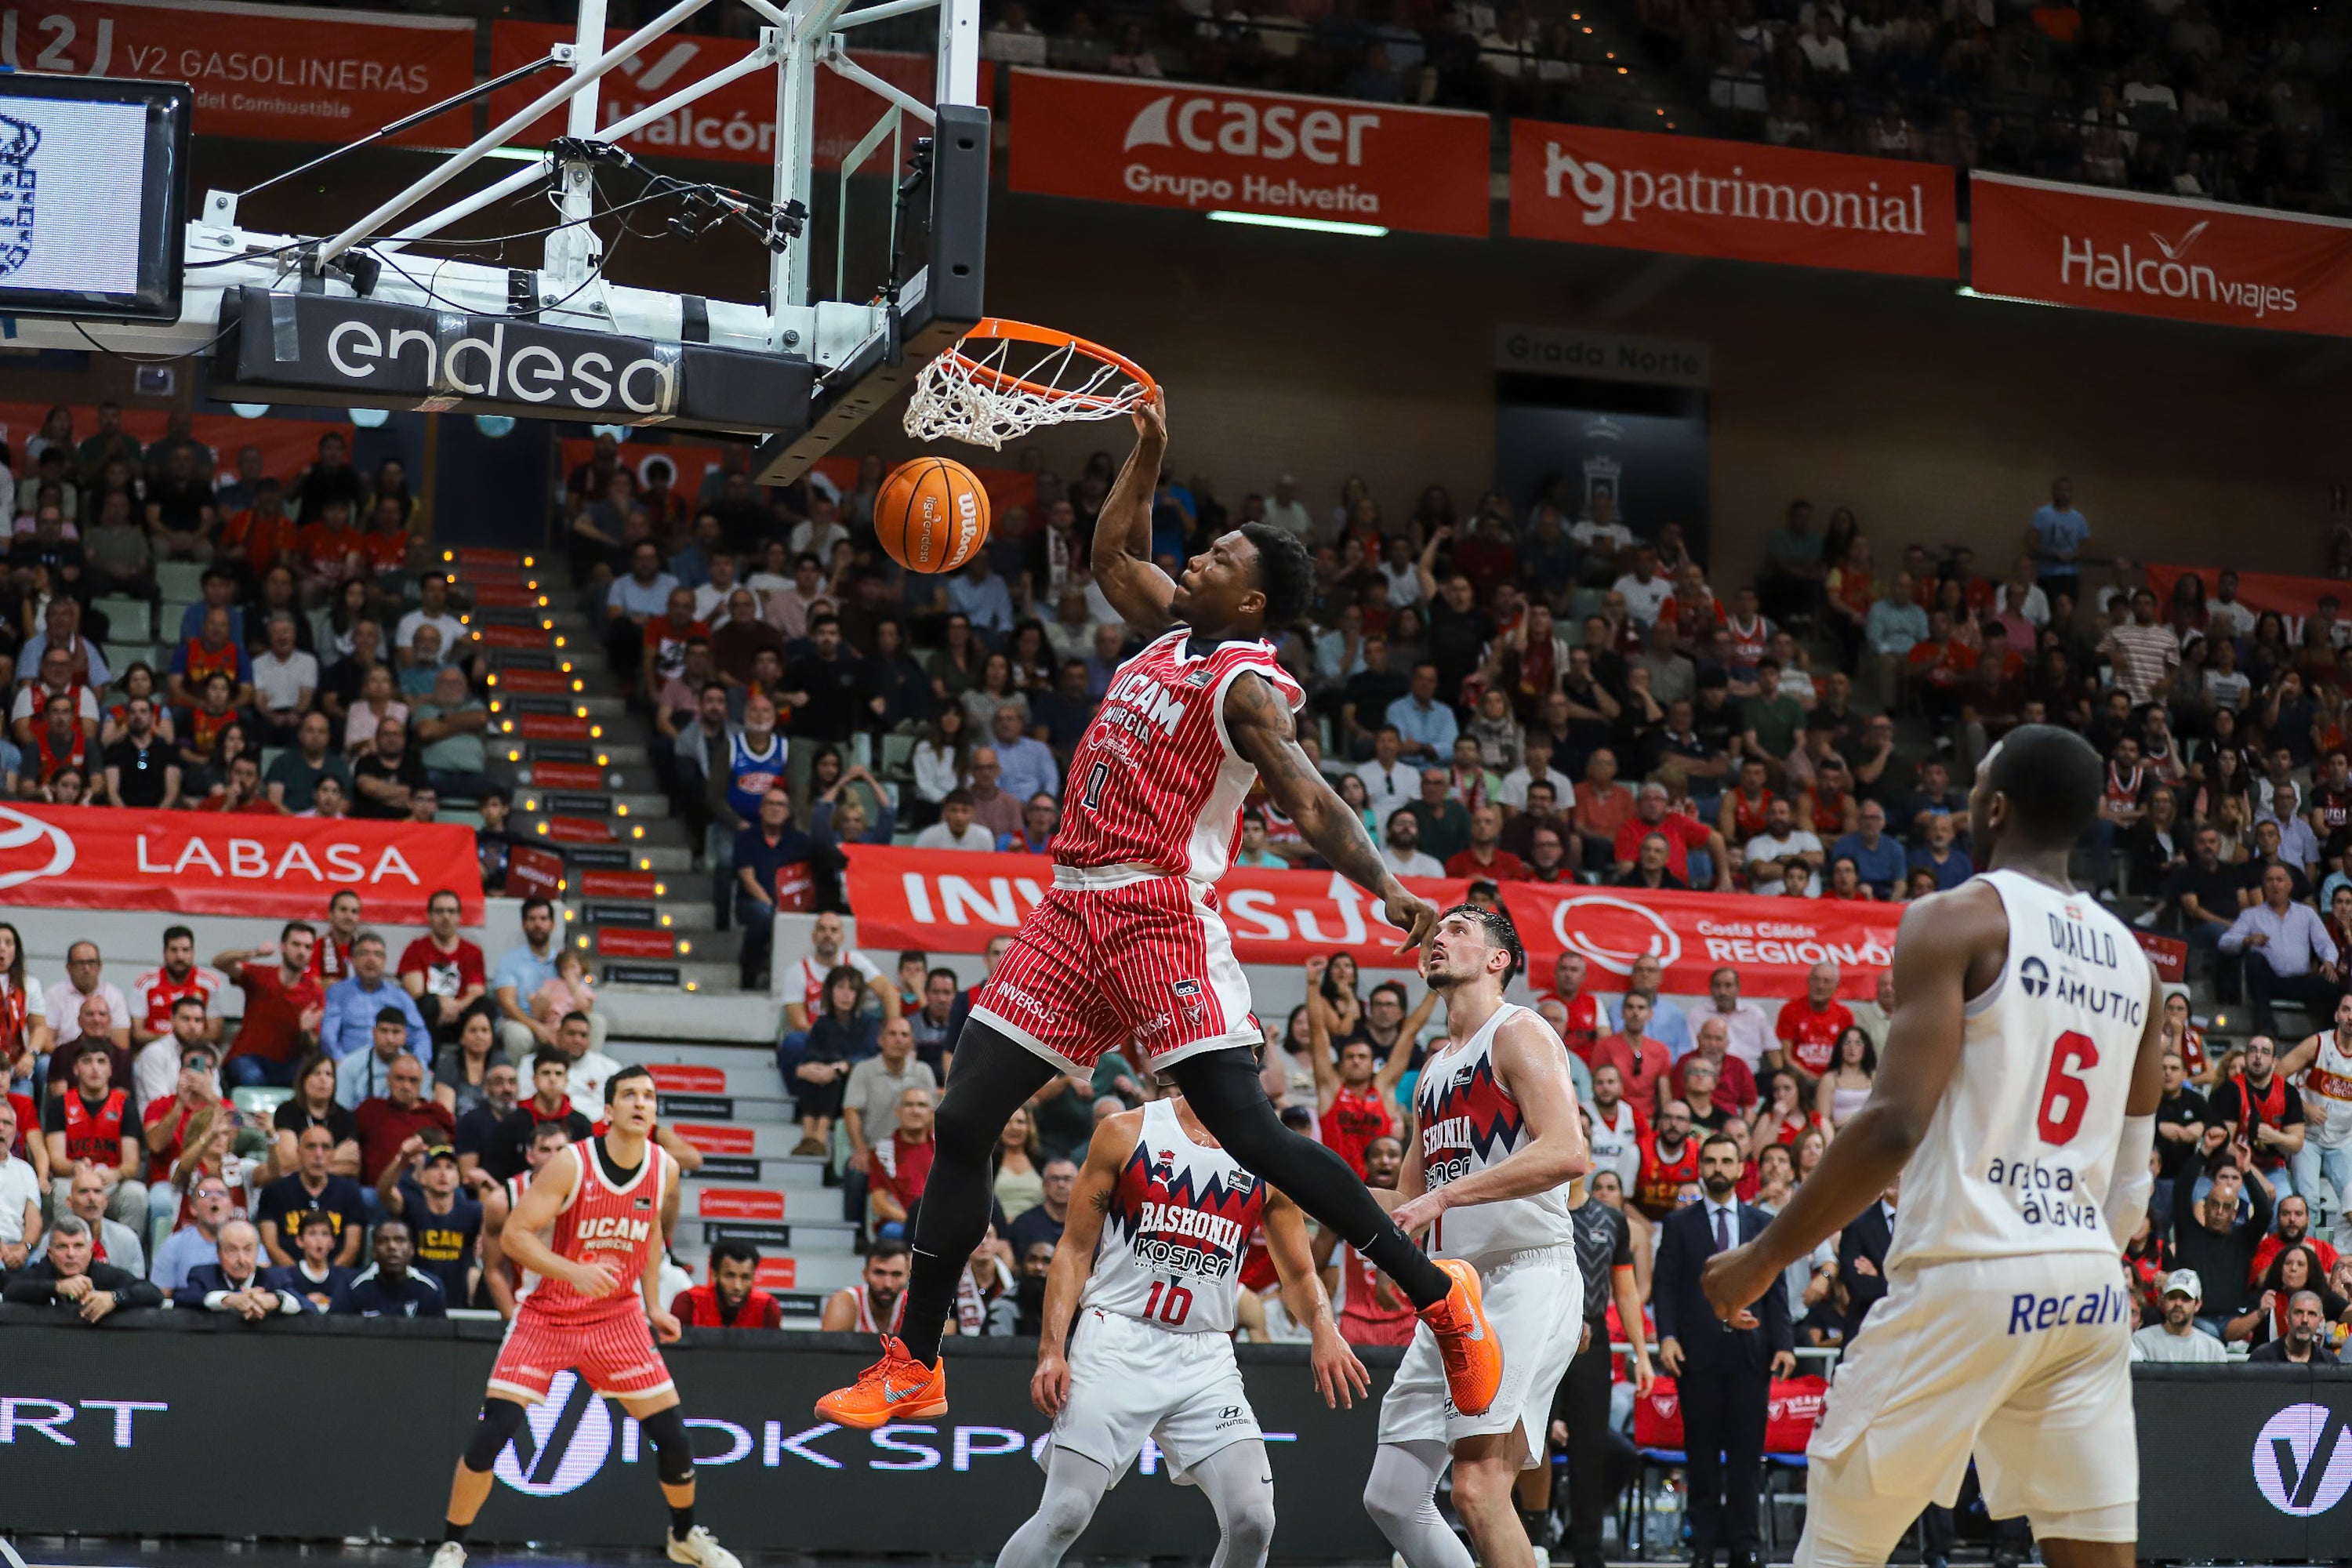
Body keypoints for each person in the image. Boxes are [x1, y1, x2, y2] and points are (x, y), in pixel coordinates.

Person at [818, 397, 1494, 1431]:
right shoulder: (1169, 636)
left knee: (1253, 1135)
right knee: (959, 1118)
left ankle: (1437, 1294)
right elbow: (1109, 555)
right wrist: (1151, 448)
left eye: (1220, 557)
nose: (1199, 561)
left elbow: (1311, 801)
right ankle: (915, 1356)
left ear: (1253, 600)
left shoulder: (1246, 684)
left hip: (1158, 913)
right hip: (1071, 909)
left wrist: (1387, 888)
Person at [1704, 725, 2165, 1568]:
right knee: (2093, 1551)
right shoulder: (2139, 963)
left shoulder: (1954, 917)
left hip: (1970, 1270)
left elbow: (1894, 1124)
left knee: (1841, 1539)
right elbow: (2134, 1180)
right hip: (2091, 1287)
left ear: (1994, 805)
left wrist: (1765, 1254)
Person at [1004, 1091, 1368, 1568]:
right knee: (1065, 1511)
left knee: (1253, 1519)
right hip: (1117, 1334)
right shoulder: (1125, 1131)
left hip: (1205, 1351)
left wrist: (1325, 1328)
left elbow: (1299, 1274)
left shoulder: (1270, 1151)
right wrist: (1052, 1349)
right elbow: (1073, 1249)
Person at [431, 1065, 741, 1568]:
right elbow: (514, 1237)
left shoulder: (665, 1168)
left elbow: (650, 1236)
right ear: (608, 1110)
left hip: (617, 1318)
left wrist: (654, 1303)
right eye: (630, 1096)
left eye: (650, 1096)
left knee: (675, 1437)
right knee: (493, 1433)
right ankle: (451, 1544)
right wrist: (572, 1272)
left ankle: (684, 1536)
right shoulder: (571, 1165)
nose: (641, 1104)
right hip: (548, 1314)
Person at [1363, 905, 1590, 1568]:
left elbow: (1568, 1153)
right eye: (1437, 931)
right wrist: (1302, 1185)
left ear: (1500, 959)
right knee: (1392, 1496)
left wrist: (1443, 1196)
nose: (1439, 936)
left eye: (1459, 930)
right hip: (1453, 1293)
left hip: (1526, 1275)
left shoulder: (1519, 1031)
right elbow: (1407, 1200)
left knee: (1479, 1486)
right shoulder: (1433, 1069)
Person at [1655, 1134, 1796, 1568]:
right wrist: (1667, 1336)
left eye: (1727, 1160)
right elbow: (1666, 1285)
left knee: (1745, 1458)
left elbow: (1777, 1286)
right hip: (1697, 1356)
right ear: (1702, 1167)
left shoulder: (1761, 1223)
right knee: (1700, 1458)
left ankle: (1744, 1545)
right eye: (1711, 1160)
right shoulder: (1679, 1224)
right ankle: (1702, 1547)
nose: (1718, 1167)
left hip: (1751, 1356)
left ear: (1740, 1168)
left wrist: (1785, 1344)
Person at [1559, 1156, 1653, 1568]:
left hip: (1592, 1341)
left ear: (1589, 1159)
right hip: (1536, 1338)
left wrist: (1642, 1354)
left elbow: (1627, 1293)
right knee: (1523, 1448)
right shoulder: (1534, 1210)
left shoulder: (1612, 1221)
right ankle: (1525, 1539)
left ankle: (1587, 1553)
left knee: (1590, 1453)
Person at [2, 1215, 162, 1317]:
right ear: (50, 1253)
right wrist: (56, 1287)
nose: (71, 1254)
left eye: (78, 1246)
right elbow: (11, 1289)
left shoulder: (102, 1273)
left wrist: (114, 1298)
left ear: (91, 1251)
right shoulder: (43, 1270)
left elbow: (153, 1293)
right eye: (62, 1247)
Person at [256, 1123, 367, 1268]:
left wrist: (327, 1277)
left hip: (337, 1279)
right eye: (311, 1146)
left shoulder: (349, 1192)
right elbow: (270, 1245)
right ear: (298, 1152)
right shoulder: (275, 1190)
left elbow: (352, 1247)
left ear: (333, 1154)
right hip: (287, 1279)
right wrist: (300, 1276)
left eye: (325, 1147)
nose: (319, 1154)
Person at [175, 1218, 305, 1319]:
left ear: (258, 1252)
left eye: (248, 1250)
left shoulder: (275, 1278)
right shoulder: (203, 1275)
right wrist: (228, 1300)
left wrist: (276, 1300)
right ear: (218, 1253)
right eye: (232, 1250)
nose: (241, 1259)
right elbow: (182, 1298)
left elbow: (310, 1307)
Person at [670, 1239, 786, 1328]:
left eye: (745, 1277)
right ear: (714, 1275)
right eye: (730, 1276)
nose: (737, 1286)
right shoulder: (689, 1302)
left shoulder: (767, 1307)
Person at [265, 1209, 359, 1312]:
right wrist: (305, 1301)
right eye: (312, 1234)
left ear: (332, 1242)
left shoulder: (344, 1278)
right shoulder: (287, 1277)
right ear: (300, 1241)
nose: (319, 1240)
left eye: (325, 1234)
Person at [2130, 1269, 2227, 1363]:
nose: (2178, 1303)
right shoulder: (2140, 1342)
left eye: (2186, 1298)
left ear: (2197, 1304)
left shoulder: (2214, 1351)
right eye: (2172, 1297)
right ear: (2163, 1301)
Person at [2245, 1290, 2340, 1363]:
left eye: (2311, 1314)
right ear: (2287, 1317)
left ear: (2320, 1321)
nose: (2305, 1320)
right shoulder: (2262, 1358)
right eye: (2298, 1313)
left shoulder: (2329, 1362)